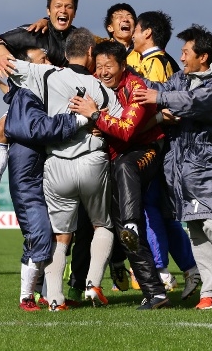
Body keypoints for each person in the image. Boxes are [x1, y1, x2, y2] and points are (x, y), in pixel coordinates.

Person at [6, 27, 122, 311]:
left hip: (57, 165)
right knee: (102, 225)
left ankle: (55, 299)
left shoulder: (45, 75)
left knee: (61, 236)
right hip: (93, 162)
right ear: (91, 53)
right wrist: (97, 120)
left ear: (66, 51)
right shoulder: (101, 89)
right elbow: (121, 124)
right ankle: (93, 284)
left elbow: (7, 64)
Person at [133, 24, 212, 310]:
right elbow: (160, 88)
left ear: (203, 57)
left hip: (208, 164)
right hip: (180, 165)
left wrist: (160, 100)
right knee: (195, 228)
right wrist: (128, 77)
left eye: (185, 52)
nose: (181, 58)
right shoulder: (181, 78)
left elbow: (195, 101)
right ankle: (210, 289)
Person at [69, 40, 170, 310]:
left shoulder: (137, 87)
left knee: (129, 211)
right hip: (115, 159)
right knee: (123, 227)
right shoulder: (94, 84)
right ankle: (155, 294)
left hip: (145, 151)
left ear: (123, 66)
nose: (102, 71)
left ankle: (135, 228)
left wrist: (95, 116)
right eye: (98, 66)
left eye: (108, 66)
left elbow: (126, 130)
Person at [0, 0, 79, 220]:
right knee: (0, 129)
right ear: (48, 11)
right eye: (58, 6)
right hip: (33, 107)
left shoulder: (78, 39)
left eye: (68, 7)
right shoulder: (32, 32)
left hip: (64, 111)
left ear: (75, 12)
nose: (63, 10)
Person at [0, 47, 86, 311]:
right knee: (40, 234)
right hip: (27, 181)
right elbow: (37, 129)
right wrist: (78, 120)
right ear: (28, 68)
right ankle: (26, 297)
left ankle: (47, 294)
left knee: (51, 235)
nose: (48, 62)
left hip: (39, 177)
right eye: (42, 59)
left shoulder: (32, 92)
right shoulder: (27, 94)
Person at [130, 10, 200, 298]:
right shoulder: (162, 61)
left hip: (158, 146)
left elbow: (154, 107)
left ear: (147, 32)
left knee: (148, 207)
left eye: (135, 28)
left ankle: (160, 272)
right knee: (165, 212)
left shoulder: (156, 64)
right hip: (168, 148)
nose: (131, 34)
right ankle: (191, 269)